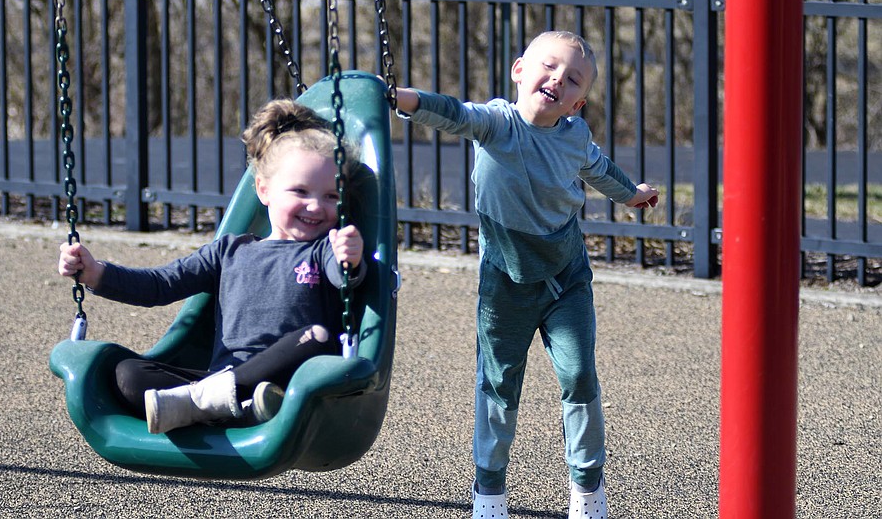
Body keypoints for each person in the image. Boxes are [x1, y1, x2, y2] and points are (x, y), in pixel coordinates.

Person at [391, 31, 659, 519]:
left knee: (579, 375)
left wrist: (634, 194)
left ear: (577, 103)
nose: (557, 78)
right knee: (498, 385)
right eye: (549, 66)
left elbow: (601, 170)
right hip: (505, 284)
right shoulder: (497, 123)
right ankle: (490, 492)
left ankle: (587, 488)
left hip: (564, 278)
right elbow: (452, 112)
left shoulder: (574, 137)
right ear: (519, 70)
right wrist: (400, 98)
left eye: (572, 78)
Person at [57, 99, 366, 434]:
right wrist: (95, 273)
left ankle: (211, 405)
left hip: (291, 384)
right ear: (264, 190)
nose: (315, 205)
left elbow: (345, 276)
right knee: (127, 375)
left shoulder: (324, 250)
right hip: (219, 380)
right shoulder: (230, 251)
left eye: (332, 197)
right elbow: (161, 283)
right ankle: (225, 406)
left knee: (319, 337)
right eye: (300, 191)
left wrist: (350, 257)